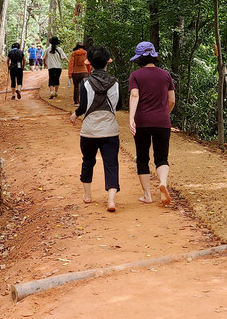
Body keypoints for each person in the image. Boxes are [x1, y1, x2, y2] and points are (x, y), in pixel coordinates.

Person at [70, 46, 122, 212]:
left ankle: (87, 195)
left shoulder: (86, 82)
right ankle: (111, 200)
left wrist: (75, 114)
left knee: (88, 161)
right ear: (108, 62)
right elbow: (119, 105)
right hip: (110, 130)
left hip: (89, 131)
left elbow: (83, 106)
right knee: (111, 164)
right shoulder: (115, 82)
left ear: (89, 63)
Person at [128, 41, 175, 205]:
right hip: (162, 121)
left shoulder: (135, 76)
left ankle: (147, 195)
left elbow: (134, 96)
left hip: (142, 122)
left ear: (139, 59)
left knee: (142, 158)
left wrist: (131, 118)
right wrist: (164, 114)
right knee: (161, 157)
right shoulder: (165, 75)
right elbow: (172, 100)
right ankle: (162, 182)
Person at [67, 42, 90, 106]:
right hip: (84, 72)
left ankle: (76, 102)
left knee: (76, 87)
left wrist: (69, 74)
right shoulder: (85, 53)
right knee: (84, 87)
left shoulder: (74, 54)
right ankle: (84, 101)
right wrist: (88, 72)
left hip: (75, 72)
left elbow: (71, 64)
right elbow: (88, 64)